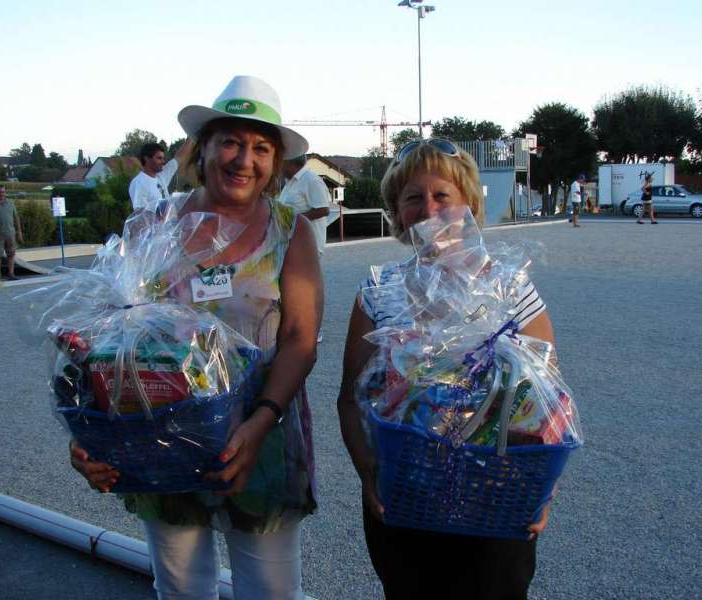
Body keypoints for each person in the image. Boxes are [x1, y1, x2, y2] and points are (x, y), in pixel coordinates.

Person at [71, 75, 322, 600]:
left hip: (262, 434)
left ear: (275, 162)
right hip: (160, 436)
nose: (243, 159)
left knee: (272, 592)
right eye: (229, 140)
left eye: (260, 147)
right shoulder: (150, 227)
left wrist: (259, 422)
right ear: (202, 146)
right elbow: (102, 341)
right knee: (182, 588)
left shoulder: (289, 231)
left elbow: (300, 337)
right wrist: (91, 434)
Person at [337, 139, 557, 600]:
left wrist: (543, 491)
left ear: (470, 205)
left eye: (443, 196)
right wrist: (367, 473)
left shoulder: (510, 285)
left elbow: (548, 402)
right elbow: (349, 398)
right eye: (413, 197)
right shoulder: (380, 289)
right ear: (397, 212)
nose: (428, 208)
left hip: (496, 495)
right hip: (404, 493)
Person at [278, 154, 331, 343]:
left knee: (307, 287)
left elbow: (323, 209)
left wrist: (294, 221)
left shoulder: (311, 180)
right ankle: (295, 327)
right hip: (288, 244)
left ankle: (314, 330)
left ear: (288, 161)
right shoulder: (289, 183)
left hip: (308, 244)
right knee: (291, 288)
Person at [128, 142, 189, 212]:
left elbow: (179, 157)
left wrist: (191, 136)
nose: (163, 161)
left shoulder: (161, 176)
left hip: (169, 222)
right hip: (156, 223)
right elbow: (140, 214)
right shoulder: (139, 183)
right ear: (146, 159)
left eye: (163, 158)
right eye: (159, 158)